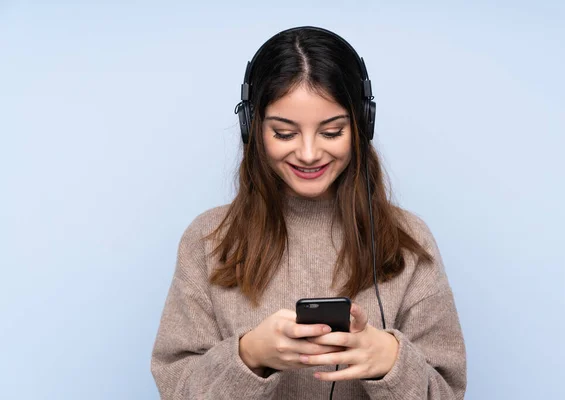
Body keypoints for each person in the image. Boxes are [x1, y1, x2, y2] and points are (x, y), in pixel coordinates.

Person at [150, 26, 467, 399]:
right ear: (252, 128)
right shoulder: (208, 239)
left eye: (332, 132)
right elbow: (177, 390)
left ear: (362, 125)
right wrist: (250, 355)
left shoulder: (409, 240)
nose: (309, 153)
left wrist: (391, 360)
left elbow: (446, 393)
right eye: (284, 133)